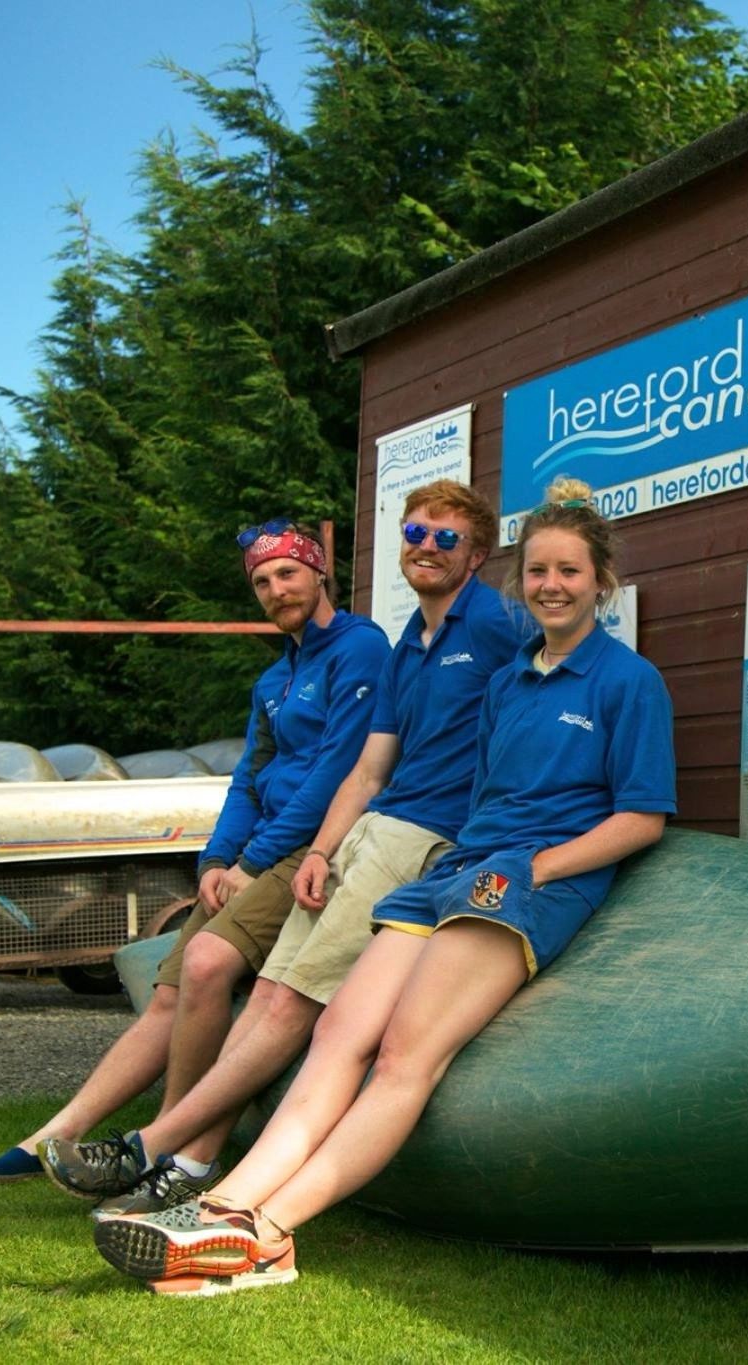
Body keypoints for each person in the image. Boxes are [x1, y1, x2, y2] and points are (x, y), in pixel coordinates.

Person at [92, 476, 677, 1296]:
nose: (551, 585)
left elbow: (641, 818)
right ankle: (222, 1205)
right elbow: (467, 785)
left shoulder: (627, 680)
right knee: (339, 1038)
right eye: (539, 570)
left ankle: (269, 1233)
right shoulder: (509, 679)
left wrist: (532, 868)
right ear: (522, 579)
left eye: (570, 573)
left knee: (405, 1054)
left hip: (529, 883)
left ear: (601, 583)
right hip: (455, 872)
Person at [35, 480, 523, 1215]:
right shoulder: (405, 645)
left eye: (445, 537)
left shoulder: (492, 624)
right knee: (265, 992)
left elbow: (554, 685)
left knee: (293, 1001)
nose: (427, 547)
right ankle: (192, 1157)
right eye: (416, 534)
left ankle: (160, 1145)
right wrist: (323, 850)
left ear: (477, 553)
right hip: (367, 829)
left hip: (426, 838)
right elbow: (366, 769)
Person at [0, 522, 388, 1191]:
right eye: (261, 582)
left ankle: (161, 1146)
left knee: (208, 959)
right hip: (259, 848)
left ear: (319, 573)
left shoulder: (359, 647)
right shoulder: (276, 678)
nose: (276, 590)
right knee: (169, 992)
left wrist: (254, 862)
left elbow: (339, 770)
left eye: (287, 574)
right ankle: (57, 1131)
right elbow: (250, 776)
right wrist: (217, 859)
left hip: (313, 845)